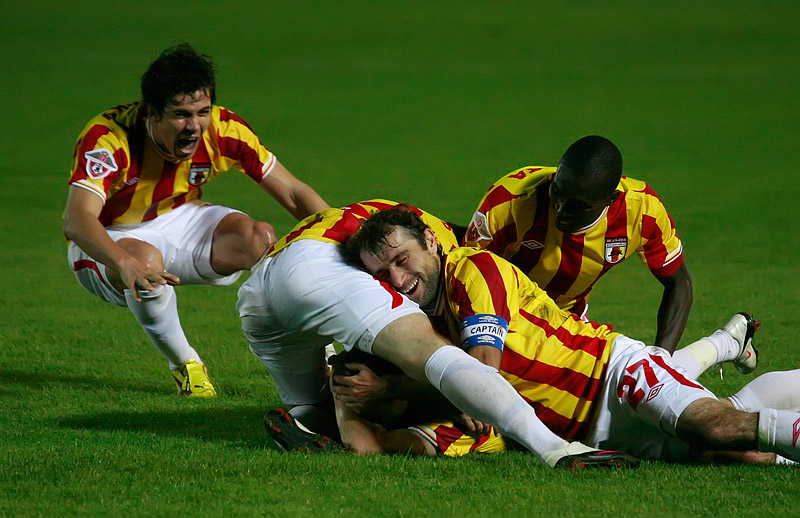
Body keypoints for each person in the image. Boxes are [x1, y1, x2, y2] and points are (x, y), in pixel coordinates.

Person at [338, 205, 800, 464]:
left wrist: (393, 389)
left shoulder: (473, 271)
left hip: (613, 374)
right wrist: (348, 394)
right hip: (591, 432)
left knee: (716, 425)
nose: (398, 280)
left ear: (430, 242)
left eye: (402, 260)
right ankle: (729, 344)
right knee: (740, 452)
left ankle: (725, 343)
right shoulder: (416, 319)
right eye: (383, 274)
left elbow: (482, 373)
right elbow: (380, 441)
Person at [238, 200, 638, 468]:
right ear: (431, 240)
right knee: (432, 357)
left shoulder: (384, 231)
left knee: (319, 400)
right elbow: (473, 360)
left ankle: (311, 419)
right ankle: (554, 450)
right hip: (314, 267)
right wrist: (458, 396)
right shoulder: (439, 250)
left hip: (259, 291)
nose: (399, 277)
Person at [63, 44, 328, 397]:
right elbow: (77, 219)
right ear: (151, 112)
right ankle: (187, 367)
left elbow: (293, 192)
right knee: (145, 261)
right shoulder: (109, 138)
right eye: (180, 115)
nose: (194, 127)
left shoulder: (224, 129)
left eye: (203, 112)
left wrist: (340, 232)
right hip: (104, 239)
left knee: (260, 239)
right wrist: (124, 261)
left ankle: (324, 352)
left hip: (178, 218)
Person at [463, 137, 698, 357]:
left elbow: (679, 283)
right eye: (557, 193)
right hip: (498, 317)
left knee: (627, 379)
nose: (561, 210)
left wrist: (661, 358)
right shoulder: (510, 201)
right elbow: (465, 274)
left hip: (565, 323)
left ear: (610, 200)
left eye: (578, 206)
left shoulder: (642, 212)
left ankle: (718, 344)